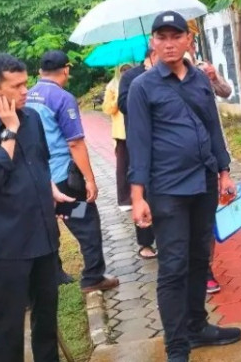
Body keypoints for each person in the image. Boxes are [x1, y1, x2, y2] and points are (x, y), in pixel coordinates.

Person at [128, 11, 241, 362]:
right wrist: (137, 198)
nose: (169, 43)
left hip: (205, 184)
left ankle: (197, 326)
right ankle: (177, 346)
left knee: (198, 258)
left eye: (175, 36)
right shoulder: (142, 87)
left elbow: (212, 130)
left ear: (188, 40)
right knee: (174, 266)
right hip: (167, 191)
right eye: (161, 37)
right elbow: (139, 145)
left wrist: (224, 172)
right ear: (153, 43)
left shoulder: (198, 80)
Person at [0, 53, 74, 362]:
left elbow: (39, 162)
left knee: (46, 320)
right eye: (17, 86)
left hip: (43, 237)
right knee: (8, 331)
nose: (25, 92)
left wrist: (51, 190)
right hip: (6, 247)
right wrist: (9, 131)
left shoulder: (32, 118)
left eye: (26, 83)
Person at [27, 50, 119, 294]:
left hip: (37, 179)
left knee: (48, 225)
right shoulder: (61, 98)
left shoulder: (27, 96)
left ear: (39, 72)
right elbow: (75, 143)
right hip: (63, 180)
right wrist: (90, 179)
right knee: (85, 219)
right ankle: (93, 277)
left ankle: (54, 274)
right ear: (66, 70)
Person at [186, 38, 231, 294]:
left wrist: (214, 78)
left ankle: (206, 269)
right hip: (178, 161)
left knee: (207, 215)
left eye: (190, 40)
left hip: (211, 151)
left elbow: (226, 92)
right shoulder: (158, 76)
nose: (189, 46)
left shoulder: (204, 68)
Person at [118, 48, 158, 260]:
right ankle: (145, 242)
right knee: (144, 191)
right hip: (140, 143)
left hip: (164, 145)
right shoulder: (131, 77)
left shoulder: (167, 74)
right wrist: (146, 80)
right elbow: (123, 105)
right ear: (152, 53)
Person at [102, 64, 132, 211]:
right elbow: (107, 109)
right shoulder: (112, 86)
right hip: (122, 133)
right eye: (123, 70)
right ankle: (125, 199)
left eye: (128, 69)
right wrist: (118, 97)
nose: (126, 72)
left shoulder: (138, 81)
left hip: (137, 130)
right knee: (123, 167)